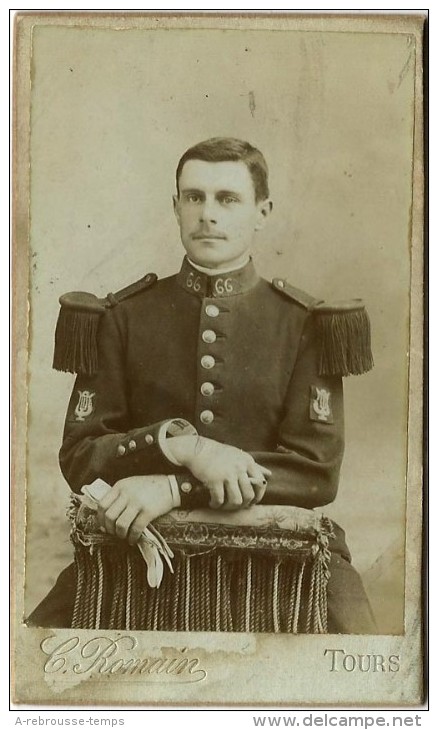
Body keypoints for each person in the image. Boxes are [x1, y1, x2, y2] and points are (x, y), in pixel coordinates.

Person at [27, 137, 376, 633]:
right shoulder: (120, 318)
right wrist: (181, 446)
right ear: (176, 208)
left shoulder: (305, 325)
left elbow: (316, 473)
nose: (207, 214)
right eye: (194, 197)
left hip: (283, 560)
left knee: (364, 658)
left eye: (227, 199)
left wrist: (176, 487)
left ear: (261, 210)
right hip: (138, 547)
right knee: (34, 656)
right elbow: (80, 456)